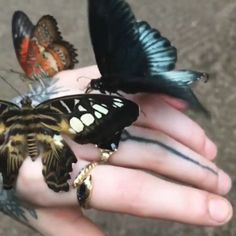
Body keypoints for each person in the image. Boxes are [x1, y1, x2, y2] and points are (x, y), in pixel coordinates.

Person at [0, 66, 232, 236]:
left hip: (17, 145)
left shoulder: (7, 113)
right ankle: (16, 173)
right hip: (51, 141)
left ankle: (11, 171)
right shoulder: (56, 109)